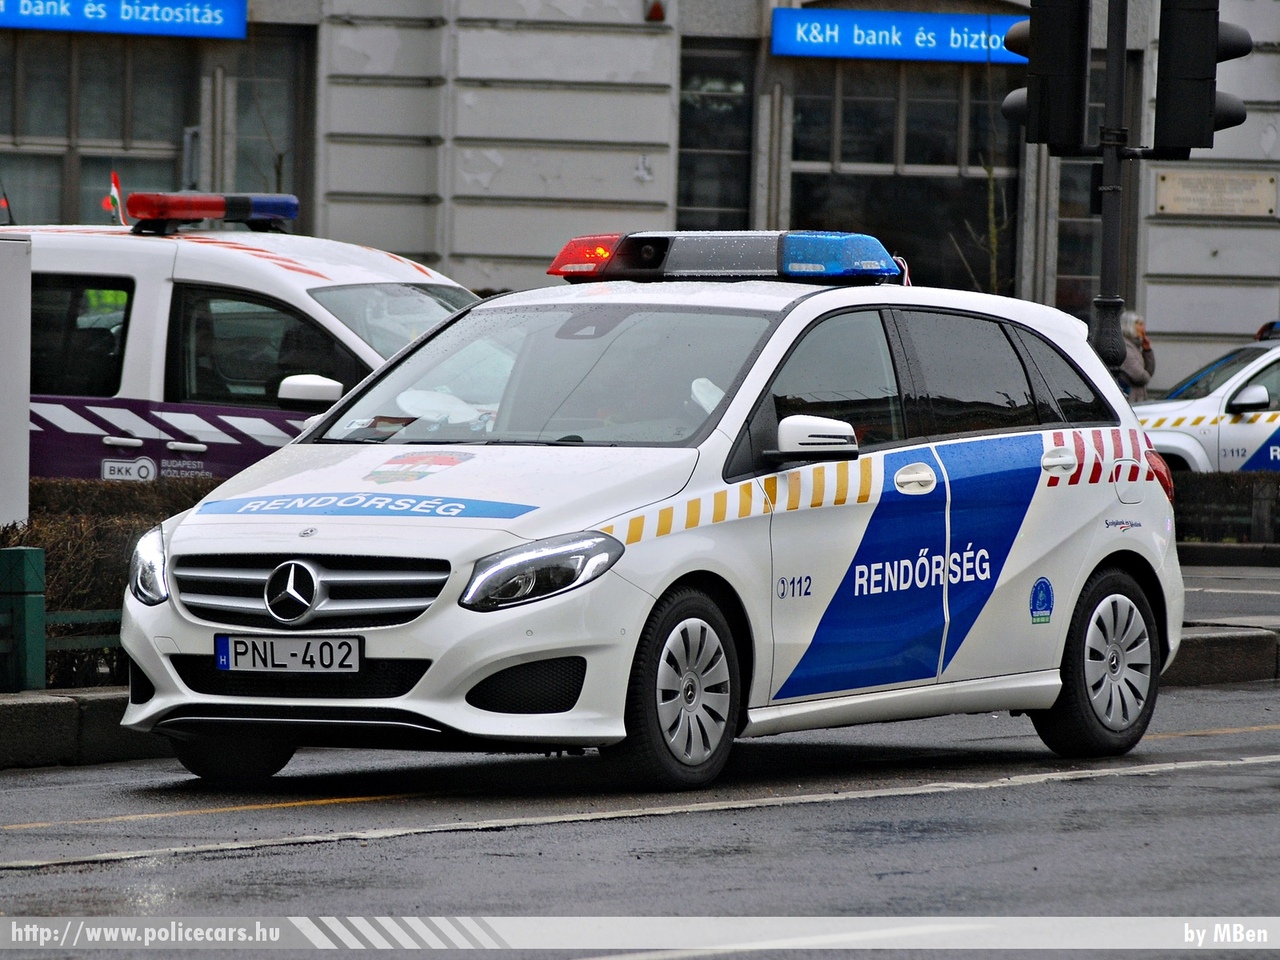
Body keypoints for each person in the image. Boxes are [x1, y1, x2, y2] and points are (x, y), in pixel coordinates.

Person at [1113, 310, 1156, 402]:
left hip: (1138, 398)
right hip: (1131, 400)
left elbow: (1149, 371)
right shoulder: (1125, 347)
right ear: (1129, 326)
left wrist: (1147, 350)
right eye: (1139, 325)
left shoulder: (1135, 346)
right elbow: (1140, 376)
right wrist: (1146, 376)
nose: (1143, 328)